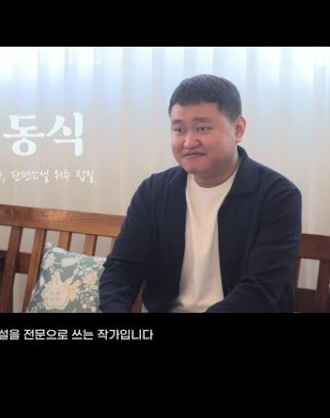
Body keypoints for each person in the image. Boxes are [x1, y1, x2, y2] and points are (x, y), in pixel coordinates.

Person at [99, 74, 302, 313]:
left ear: (238, 129)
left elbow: (260, 290)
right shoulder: (153, 192)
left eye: (202, 128)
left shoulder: (278, 196)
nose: (188, 141)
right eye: (179, 130)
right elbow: (121, 270)